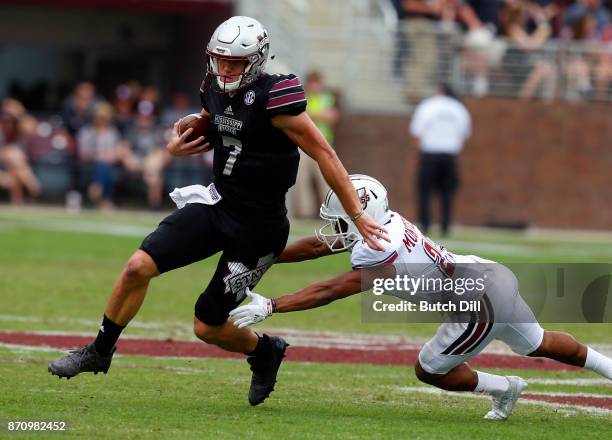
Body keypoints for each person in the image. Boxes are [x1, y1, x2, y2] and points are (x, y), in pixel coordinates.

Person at [48, 16, 389, 407]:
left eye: (235, 63)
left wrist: (358, 215)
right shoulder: (212, 84)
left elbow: (324, 153)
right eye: (219, 60)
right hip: (218, 205)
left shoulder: (276, 98)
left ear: (256, 60)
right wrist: (181, 140)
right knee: (137, 266)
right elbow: (216, 123)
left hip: (258, 228)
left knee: (207, 325)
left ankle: (265, 351)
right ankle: (99, 351)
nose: (225, 69)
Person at [229, 175, 612, 420]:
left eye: (342, 220)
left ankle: (505, 387)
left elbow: (332, 289)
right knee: (537, 343)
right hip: (488, 274)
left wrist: (272, 304)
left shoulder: (382, 250)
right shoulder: (385, 223)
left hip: (477, 305)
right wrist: (265, 252)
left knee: (428, 370)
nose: (335, 229)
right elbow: (319, 246)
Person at [410, 84, 471, 236]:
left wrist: (418, 154)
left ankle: (425, 225)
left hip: (430, 153)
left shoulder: (427, 106)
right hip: (450, 155)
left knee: (424, 191)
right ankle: (445, 225)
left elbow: (416, 131)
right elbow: (465, 133)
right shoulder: (459, 108)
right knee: (447, 192)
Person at [292, 71, 339, 218]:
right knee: (301, 180)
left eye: (317, 81)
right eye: (312, 82)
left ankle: (331, 211)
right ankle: (306, 213)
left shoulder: (327, 98)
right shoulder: (303, 97)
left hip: (324, 144)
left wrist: (310, 114)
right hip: (303, 144)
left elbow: (332, 117)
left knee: (328, 178)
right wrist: (319, 115)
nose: (315, 85)